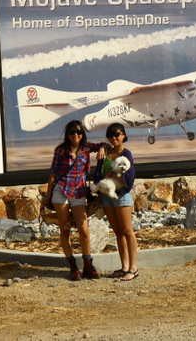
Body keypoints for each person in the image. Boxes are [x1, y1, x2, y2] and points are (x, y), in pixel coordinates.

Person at [42, 119, 104, 281]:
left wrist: (102, 148)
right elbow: (53, 173)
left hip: (78, 192)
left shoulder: (86, 148)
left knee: (84, 230)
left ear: (82, 133)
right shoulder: (61, 150)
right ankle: (73, 267)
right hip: (61, 191)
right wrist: (48, 195)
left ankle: (88, 265)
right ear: (67, 134)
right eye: (72, 132)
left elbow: (105, 144)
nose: (75, 134)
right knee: (65, 229)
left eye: (79, 131)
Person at [94, 122, 139, 281]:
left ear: (123, 135)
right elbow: (98, 172)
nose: (114, 138)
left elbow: (130, 176)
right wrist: (101, 147)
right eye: (110, 136)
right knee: (118, 232)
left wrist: (116, 176)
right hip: (107, 196)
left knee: (127, 231)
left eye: (117, 135)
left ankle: (133, 268)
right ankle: (124, 267)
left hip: (121, 195)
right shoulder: (106, 152)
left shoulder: (126, 154)